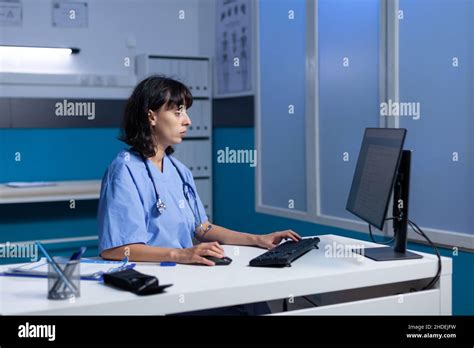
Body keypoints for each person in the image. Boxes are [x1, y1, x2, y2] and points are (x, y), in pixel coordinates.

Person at [97, 75, 301, 267]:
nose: (187, 120)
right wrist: (180, 254)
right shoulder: (125, 170)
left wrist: (258, 239)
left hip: (184, 270)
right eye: (178, 112)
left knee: (253, 301)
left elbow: (202, 228)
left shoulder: (179, 170)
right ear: (152, 117)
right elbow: (116, 250)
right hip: (152, 275)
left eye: (185, 112)